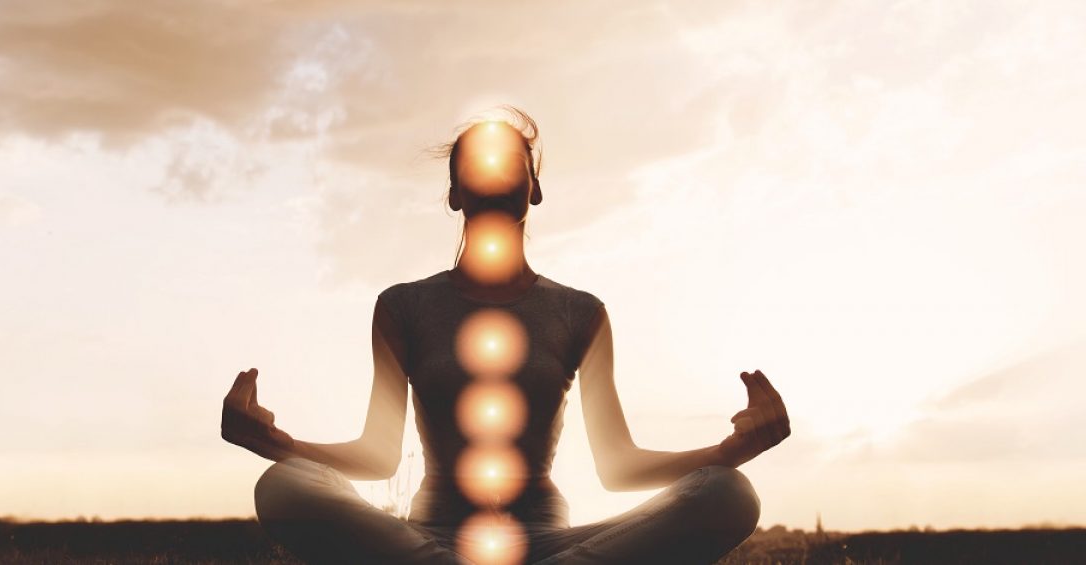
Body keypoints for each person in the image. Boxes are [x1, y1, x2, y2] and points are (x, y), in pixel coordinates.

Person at [221, 106, 791, 564]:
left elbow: (618, 469)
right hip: (429, 545)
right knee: (283, 486)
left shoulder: (580, 311)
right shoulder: (404, 306)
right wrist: (272, 444)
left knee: (727, 493)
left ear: (534, 187)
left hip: (555, 546)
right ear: (454, 194)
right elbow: (376, 458)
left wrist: (730, 453)